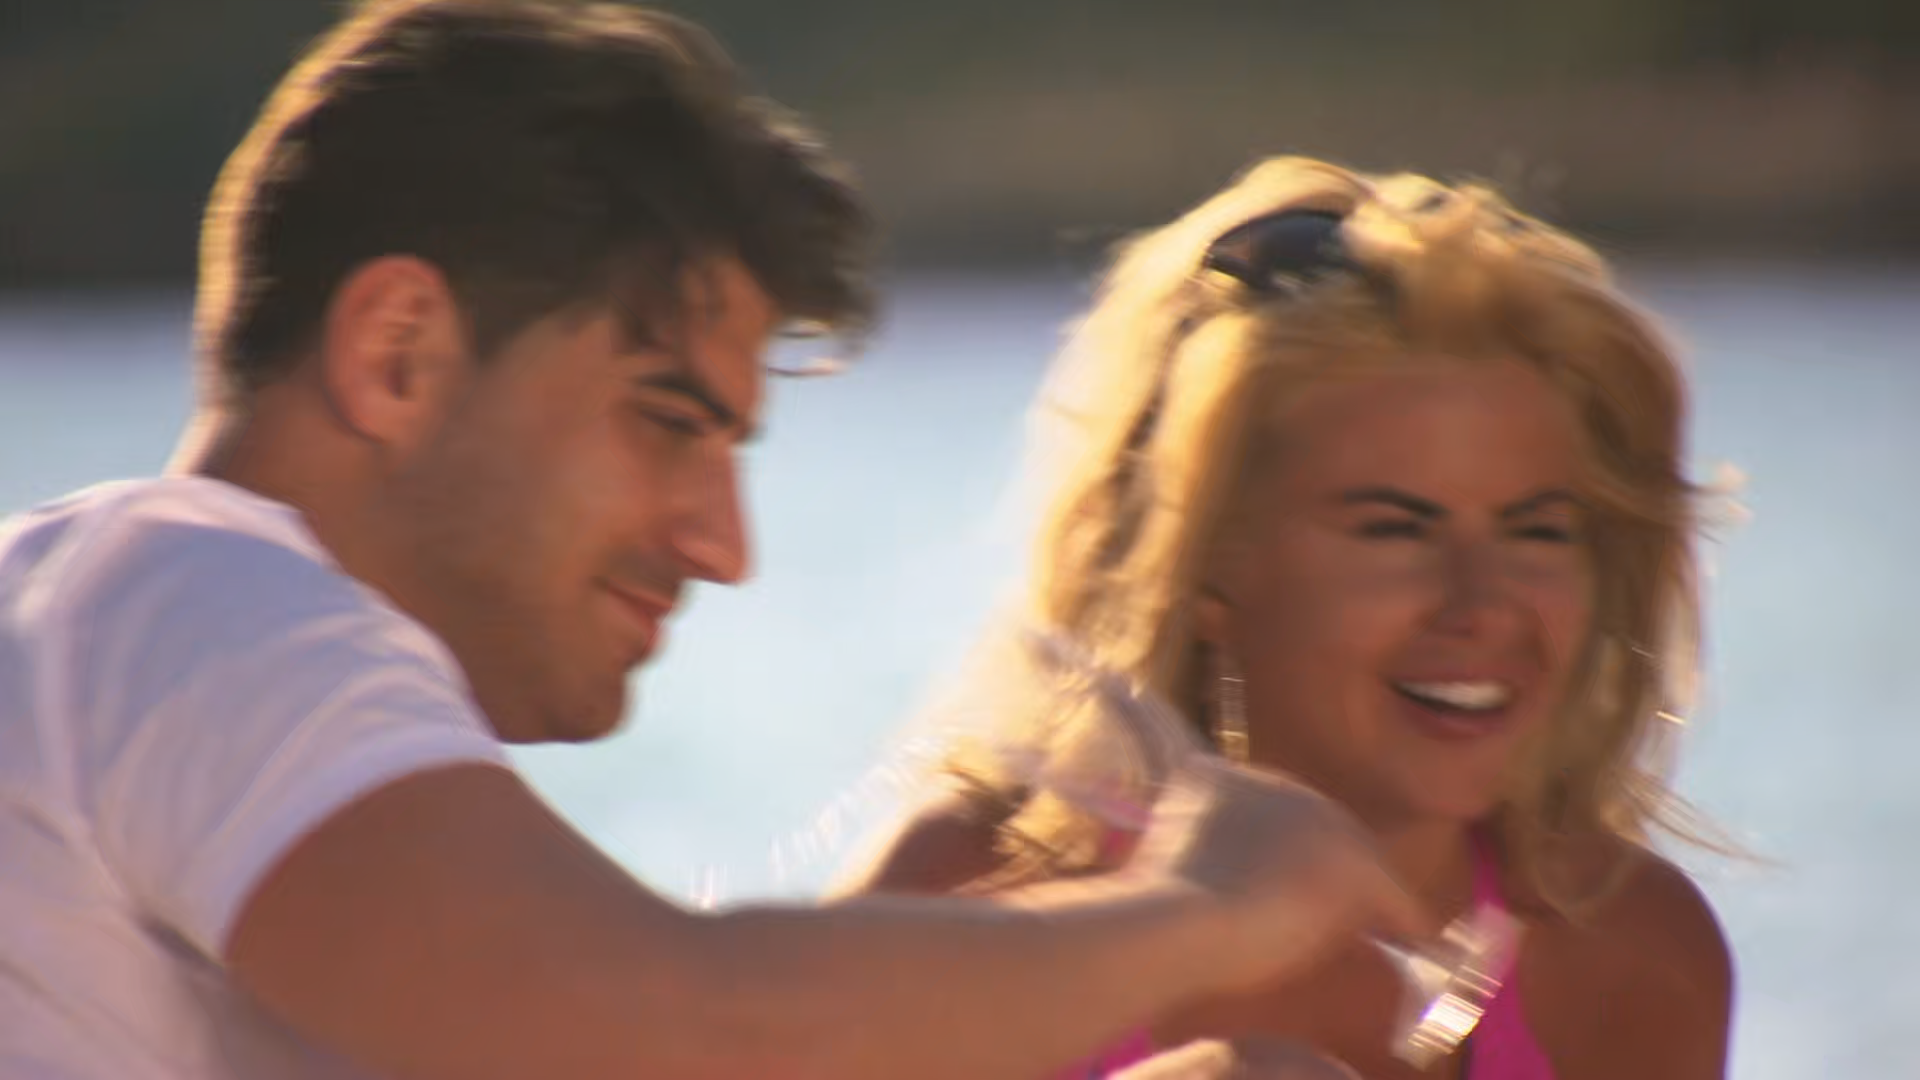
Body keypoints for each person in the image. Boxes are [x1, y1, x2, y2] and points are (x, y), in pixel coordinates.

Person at [0, 7, 1434, 1080]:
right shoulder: (179, 591)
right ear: (398, 352)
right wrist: (1199, 909)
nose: (722, 544)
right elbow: (686, 1023)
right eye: (666, 421)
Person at [845, 156, 1738, 1079]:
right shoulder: (970, 900)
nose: (1484, 605)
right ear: (1207, 566)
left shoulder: (1632, 955)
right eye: (1395, 528)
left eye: (1538, 531)